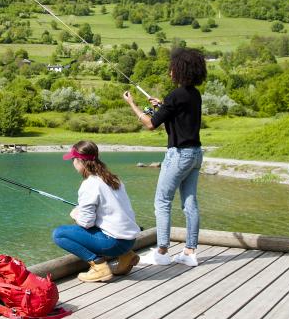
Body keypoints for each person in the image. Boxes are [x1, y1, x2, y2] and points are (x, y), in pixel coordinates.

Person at [123, 47, 207, 267]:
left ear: (180, 70)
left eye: (172, 67)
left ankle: (161, 252)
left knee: (162, 201)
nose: (170, 70)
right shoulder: (193, 95)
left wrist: (132, 104)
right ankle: (190, 252)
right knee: (190, 204)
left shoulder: (175, 95)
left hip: (179, 155)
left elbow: (150, 124)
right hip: (196, 154)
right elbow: (176, 120)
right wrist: (162, 107)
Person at [52, 140, 141, 282]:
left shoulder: (89, 184)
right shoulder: (113, 178)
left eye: (73, 159)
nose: (73, 163)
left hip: (114, 243)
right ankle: (126, 256)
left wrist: (75, 214)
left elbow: (86, 223)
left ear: (80, 161)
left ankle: (99, 267)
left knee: (59, 234)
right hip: (129, 241)